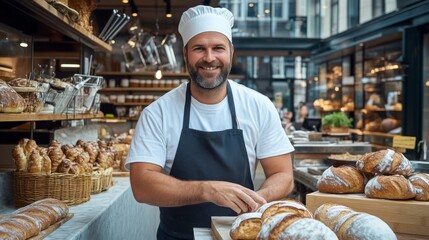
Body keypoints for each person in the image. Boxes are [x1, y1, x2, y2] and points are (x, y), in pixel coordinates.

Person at [126, 5, 295, 240]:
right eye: (199, 49)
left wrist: (257, 201)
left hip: (240, 235)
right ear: (185, 54)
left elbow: (283, 174)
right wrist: (207, 190)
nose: (209, 58)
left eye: (218, 48)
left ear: (231, 52)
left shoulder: (258, 105)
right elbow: (142, 185)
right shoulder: (158, 113)